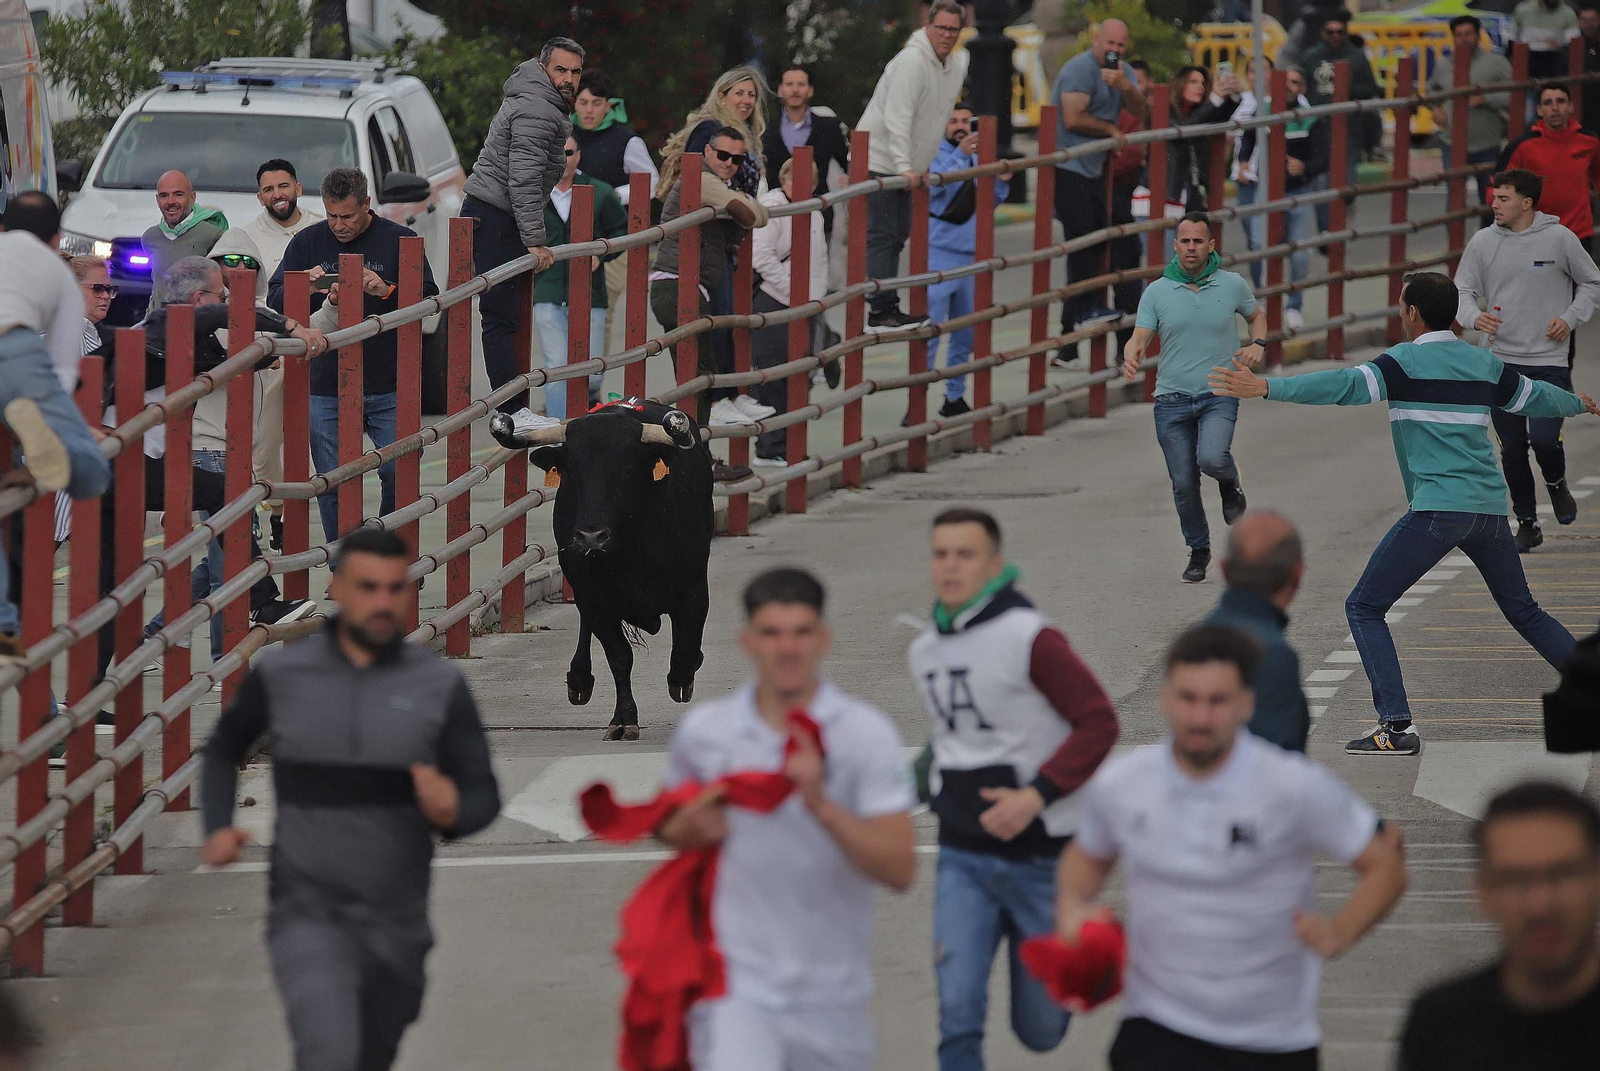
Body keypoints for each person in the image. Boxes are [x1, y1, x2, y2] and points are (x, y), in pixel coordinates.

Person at [1209, 271, 1600, 757]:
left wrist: (1266, 389)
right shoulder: (1483, 362)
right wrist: (1575, 403)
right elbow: (1534, 397)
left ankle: (1396, 727)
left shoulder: (1404, 362)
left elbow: (1344, 385)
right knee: (1524, 611)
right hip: (1489, 512)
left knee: (1364, 606)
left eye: (1400, 302)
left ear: (1412, 312)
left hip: (1438, 509)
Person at [200, 526, 501, 1071]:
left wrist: (454, 812)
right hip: (307, 910)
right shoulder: (283, 675)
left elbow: (484, 792)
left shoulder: (439, 685)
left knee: (374, 1048)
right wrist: (217, 825)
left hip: (399, 921)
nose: (382, 603)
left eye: (395, 589)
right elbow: (223, 748)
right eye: (368, 587)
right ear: (337, 588)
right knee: (329, 1049)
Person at [1056, 623, 1408, 1071]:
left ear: (1246, 704)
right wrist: (1072, 910)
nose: (1200, 717)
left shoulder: (1293, 786)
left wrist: (1338, 933)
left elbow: (1385, 866)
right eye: (1188, 698)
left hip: (1271, 1040)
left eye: (1217, 701)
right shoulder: (1123, 783)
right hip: (1157, 1028)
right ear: (1165, 698)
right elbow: (1087, 857)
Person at [657, 567, 915, 1071]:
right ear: (748, 642)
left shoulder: (864, 735)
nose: (787, 648)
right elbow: (670, 828)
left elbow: (900, 868)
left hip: (833, 1000)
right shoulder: (707, 733)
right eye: (771, 634)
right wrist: (691, 827)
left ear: (823, 639)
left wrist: (821, 806)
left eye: (800, 633)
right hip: (736, 991)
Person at [911, 508, 1117, 1071]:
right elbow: (951, 740)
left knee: (1041, 1030)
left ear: (994, 564)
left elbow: (1099, 722)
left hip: (1040, 862)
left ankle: (1074, 962)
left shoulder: (1031, 638)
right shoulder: (925, 649)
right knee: (957, 1014)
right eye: (941, 553)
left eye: (965, 554)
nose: (950, 565)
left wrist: (1035, 795)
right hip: (963, 857)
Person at [97, 256, 320, 677]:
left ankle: (83, 697)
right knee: (222, 492)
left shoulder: (187, 337)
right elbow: (228, 317)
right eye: (221, 293)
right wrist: (291, 328)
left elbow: (226, 360)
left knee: (112, 592)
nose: (227, 301)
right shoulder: (166, 325)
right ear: (200, 299)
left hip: (124, 464)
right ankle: (263, 602)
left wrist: (266, 353)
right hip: (117, 465)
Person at [268, 168, 439, 545]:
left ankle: (387, 556)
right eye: (331, 215)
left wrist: (387, 290)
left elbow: (431, 299)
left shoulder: (401, 240)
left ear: (367, 204)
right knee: (332, 481)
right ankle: (345, 564)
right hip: (326, 382)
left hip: (388, 379)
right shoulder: (307, 242)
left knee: (398, 471)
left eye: (347, 216)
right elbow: (274, 299)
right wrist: (306, 287)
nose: (338, 225)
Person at [1398, 781, 1600, 1068]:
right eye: (1515, 880)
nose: (1540, 904)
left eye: (1563, 875)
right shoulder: (1441, 1028)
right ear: (1483, 892)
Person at [1455, 169, 1600, 552]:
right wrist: (1473, 317)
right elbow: (1462, 289)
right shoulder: (1484, 241)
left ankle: (1556, 485)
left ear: (1526, 203)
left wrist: (1569, 318)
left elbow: (1592, 282)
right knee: (1512, 447)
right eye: (1494, 196)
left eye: (1503, 198)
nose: (1494, 204)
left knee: (1544, 440)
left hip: (1549, 361)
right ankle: (1527, 522)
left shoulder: (1560, 238)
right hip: (1501, 362)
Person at [1122, 213, 1266, 584]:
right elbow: (1140, 335)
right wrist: (1132, 351)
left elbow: (1257, 316)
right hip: (1170, 399)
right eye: (1185, 241)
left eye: (1198, 241)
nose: (1191, 248)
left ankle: (1228, 480)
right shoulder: (1157, 291)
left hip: (1219, 390)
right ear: (1175, 245)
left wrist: (1258, 345)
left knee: (1211, 457)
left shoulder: (1231, 284)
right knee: (1184, 483)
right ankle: (1198, 550)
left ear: (1211, 245)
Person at [0, 192, 113, 659]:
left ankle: (4, 622)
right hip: (16, 352)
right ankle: (47, 458)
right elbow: (68, 368)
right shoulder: (59, 274)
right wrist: (66, 422)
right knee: (93, 471)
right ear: (54, 237)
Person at [461, 37, 584, 436]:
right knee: (500, 316)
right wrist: (534, 239)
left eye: (575, 72)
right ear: (544, 67)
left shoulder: (537, 99)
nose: (568, 79)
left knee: (505, 315)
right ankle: (511, 412)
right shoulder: (538, 108)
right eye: (560, 70)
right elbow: (525, 179)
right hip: (497, 215)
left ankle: (512, 409)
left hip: (496, 213)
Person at [649, 125, 769, 481]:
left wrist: (747, 205)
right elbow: (750, 215)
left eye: (737, 158)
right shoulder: (701, 180)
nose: (730, 163)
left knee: (698, 376)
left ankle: (694, 462)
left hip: (689, 289)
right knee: (697, 379)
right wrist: (745, 204)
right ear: (706, 153)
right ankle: (692, 464)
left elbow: (759, 214)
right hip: (676, 288)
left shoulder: (717, 183)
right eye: (723, 155)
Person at [656, 67, 774, 428]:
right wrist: (737, 200)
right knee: (711, 333)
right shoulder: (711, 131)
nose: (745, 100)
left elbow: (755, 206)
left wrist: (743, 203)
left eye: (751, 94)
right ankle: (721, 399)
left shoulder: (745, 136)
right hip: (698, 249)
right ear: (720, 96)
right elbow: (702, 181)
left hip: (721, 244)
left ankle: (732, 394)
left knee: (727, 325)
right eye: (737, 93)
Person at [857, 0, 971, 332]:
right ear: (927, 26)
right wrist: (905, 164)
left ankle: (886, 307)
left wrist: (919, 166)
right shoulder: (911, 61)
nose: (947, 35)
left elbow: (934, 117)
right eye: (941, 28)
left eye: (953, 29)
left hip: (908, 166)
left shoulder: (955, 64)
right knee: (882, 235)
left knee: (897, 235)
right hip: (880, 158)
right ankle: (880, 311)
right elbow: (899, 116)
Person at [1050, 19, 1145, 361]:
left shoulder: (1123, 72)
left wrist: (1125, 87)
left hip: (1096, 169)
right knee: (1083, 238)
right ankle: (1083, 313)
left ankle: (1073, 333)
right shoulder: (1079, 68)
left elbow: (1140, 109)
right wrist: (1109, 129)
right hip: (1067, 165)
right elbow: (1072, 117)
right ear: (1095, 40)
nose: (1114, 51)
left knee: (1100, 239)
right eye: (1110, 44)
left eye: (1121, 46)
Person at [921, 103, 1009, 423]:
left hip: (973, 256)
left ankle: (955, 396)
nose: (960, 126)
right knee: (929, 331)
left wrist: (1001, 179)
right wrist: (961, 154)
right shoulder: (933, 154)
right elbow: (936, 189)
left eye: (965, 121)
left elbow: (991, 201)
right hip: (938, 253)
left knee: (966, 334)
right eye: (953, 120)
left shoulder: (978, 155)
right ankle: (915, 400)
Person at [533, 135, 627, 419]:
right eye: (555, 152)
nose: (563, 159)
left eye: (569, 152)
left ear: (579, 156)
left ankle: (584, 412)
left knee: (593, 371)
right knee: (557, 366)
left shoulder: (601, 192)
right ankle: (563, 436)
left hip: (590, 292)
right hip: (547, 291)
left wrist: (602, 253)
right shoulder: (532, 193)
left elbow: (622, 231)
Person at [1203, 511, 1310, 752]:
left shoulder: (1194, 640)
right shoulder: (1271, 655)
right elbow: (1271, 763)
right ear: (1297, 574)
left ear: (1223, 569)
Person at [1234, 64, 1330, 332]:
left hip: (1298, 192)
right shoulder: (1263, 108)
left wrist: (1305, 167)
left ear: (1303, 89)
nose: (1289, 86)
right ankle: (1262, 300)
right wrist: (1243, 161)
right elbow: (1249, 136)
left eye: (1295, 82)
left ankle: (1293, 306)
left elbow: (1324, 158)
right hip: (1264, 190)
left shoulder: (1311, 117)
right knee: (1257, 246)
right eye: (1285, 80)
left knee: (1298, 254)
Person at [570, 68, 659, 354]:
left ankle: (591, 387)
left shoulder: (626, 140)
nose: (589, 110)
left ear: (608, 105)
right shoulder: (563, 136)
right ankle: (566, 387)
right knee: (564, 313)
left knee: (598, 311)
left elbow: (651, 183)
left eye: (596, 103)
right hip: (568, 237)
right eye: (583, 102)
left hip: (614, 241)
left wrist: (611, 195)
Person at [748, 156, 828, 466]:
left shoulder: (814, 208)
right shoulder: (775, 205)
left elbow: (819, 256)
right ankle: (769, 447)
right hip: (774, 300)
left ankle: (789, 444)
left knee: (800, 376)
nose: (801, 185)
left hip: (805, 303)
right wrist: (794, 291)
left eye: (808, 179)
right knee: (773, 377)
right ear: (784, 181)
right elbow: (761, 256)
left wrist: (814, 296)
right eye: (795, 178)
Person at [1298, 10, 1380, 230]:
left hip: (1349, 126)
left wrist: (1349, 89)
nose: (1334, 36)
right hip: (1317, 126)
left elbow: (1370, 88)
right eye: (1330, 31)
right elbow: (1301, 86)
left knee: (1347, 177)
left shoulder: (1356, 56)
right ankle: (1327, 227)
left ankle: (1343, 211)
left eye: (1339, 32)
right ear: (1322, 33)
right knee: (1320, 178)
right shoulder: (1311, 56)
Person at [1427, 17, 1512, 227]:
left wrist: (1486, 98)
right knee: (1454, 202)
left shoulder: (1496, 63)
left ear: (1478, 35)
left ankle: (1488, 248)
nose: (1464, 39)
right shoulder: (1444, 65)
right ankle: (1455, 252)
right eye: (1459, 35)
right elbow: (1433, 90)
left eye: (1468, 34)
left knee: (1490, 201)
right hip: (1451, 142)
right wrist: (1435, 108)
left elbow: (1514, 95)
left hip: (1487, 143)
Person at [1496, 83, 1600, 252]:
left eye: (1560, 101)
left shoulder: (1591, 142)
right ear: (1539, 110)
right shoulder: (1521, 146)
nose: (1555, 108)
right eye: (1547, 103)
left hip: (1579, 235)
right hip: (1536, 233)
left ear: (1571, 106)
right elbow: (1497, 187)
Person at [1160, 64, 1242, 261]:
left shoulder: (1200, 110)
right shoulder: (1165, 109)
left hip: (1193, 192)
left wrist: (1234, 96)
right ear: (1180, 85)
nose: (1201, 87)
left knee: (1196, 261)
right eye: (1193, 82)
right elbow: (1185, 129)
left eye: (1204, 83)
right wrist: (1214, 99)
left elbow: (1218, 117)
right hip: (1166, 195)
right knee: (1166, 263)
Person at [762, 64, 852, 241]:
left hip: (818, 213)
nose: (795, 90)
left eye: (801, 84)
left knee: (817, 267)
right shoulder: (764, 128)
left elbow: (849, 164)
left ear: (810, 90)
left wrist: (850, 179)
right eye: (789, 84)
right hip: (775, 216)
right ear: (780, 90)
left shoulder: (829, 127)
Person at [140, 169, 227, 313]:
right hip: (160, 326)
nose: (171, 202)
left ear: (192, 197)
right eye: (164, 196)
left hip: (199, 325)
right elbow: (157, 286)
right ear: (157, 200)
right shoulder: (149, 238)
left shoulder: (213, 234)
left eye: (178, 194)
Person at [1109, 61, 1149, 352]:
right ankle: (1067, 345)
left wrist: (1105, 162)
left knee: (1128, 273)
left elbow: (1133, 153)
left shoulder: (1136, 113)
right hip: (1103, 198)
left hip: (1126, 198)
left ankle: (1127, 346)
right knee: (1089, 269)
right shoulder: (1101, 109)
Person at [1513, 0, 1580, 81]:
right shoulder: (1522, 10)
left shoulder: (1568, 13)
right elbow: (1512, 36)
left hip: (1555, 60)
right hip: (1527, 60)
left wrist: (1560, 46)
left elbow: (1574, 42)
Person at [1582, 3, 1600, 128]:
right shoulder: (1572, 46)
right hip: (1583, 99)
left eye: (1592, 20)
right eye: (1584, 20)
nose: (1589, 24)